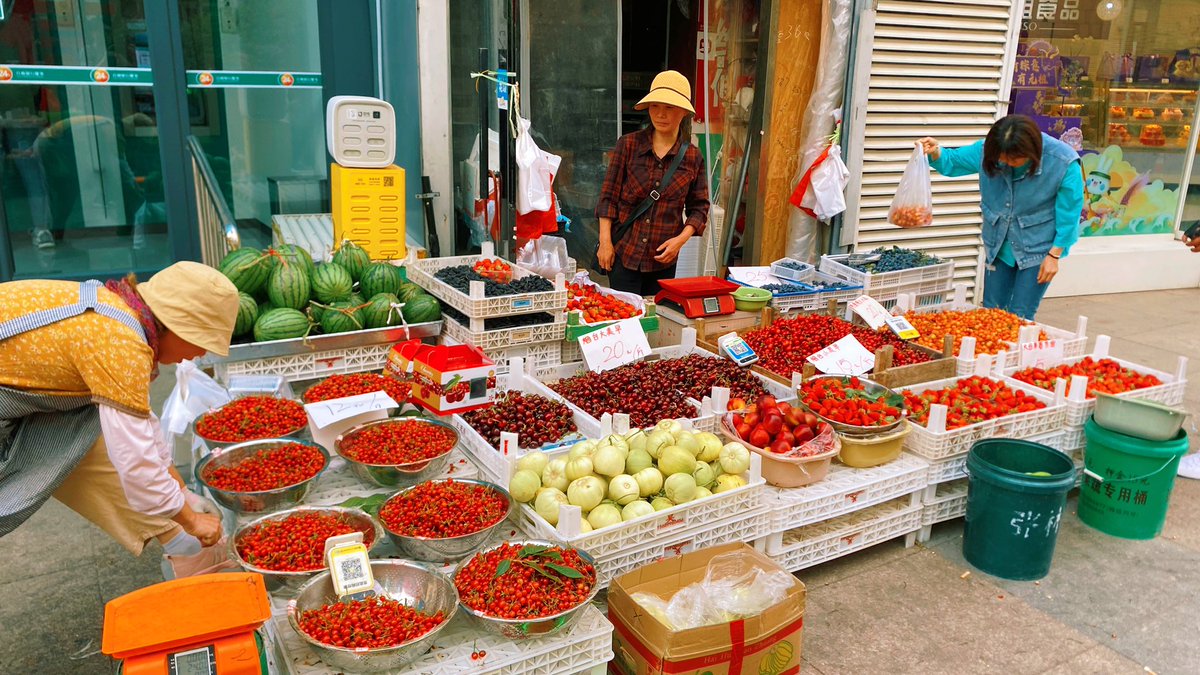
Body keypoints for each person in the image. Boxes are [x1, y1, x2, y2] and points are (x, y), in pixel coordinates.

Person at [0, 262, 240, 577]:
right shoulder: (120, 344)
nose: (199, 355)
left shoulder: (121, 315)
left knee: (95, 429)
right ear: (177, 326)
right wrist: (191, 521)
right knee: (102, 438)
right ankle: (186, 549)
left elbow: (140, 421)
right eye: (201, 342)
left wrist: (181, 493)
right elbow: (137, 465)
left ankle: (183, 549)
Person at [918, 115, 1084, 320]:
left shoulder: (1062, 161)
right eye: (1001, 157)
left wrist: (1054, 256)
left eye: (1013, 159)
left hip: (1038, 247)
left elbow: (1070, 213)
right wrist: (935, 151)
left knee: (1020, 316)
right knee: (992, 312)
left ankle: (1016, 350)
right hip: (999, 244)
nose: (1005, 162)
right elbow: (953, 161)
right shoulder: (988, 150)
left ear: (1031, 151)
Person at [596, 70, 710, 296]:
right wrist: (605, 243)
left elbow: (699, 208)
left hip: (663, 261)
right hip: (623, 254)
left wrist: (680, 241)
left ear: (684, 112)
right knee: (624, 320)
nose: (661, 114)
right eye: (655, 106)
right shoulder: (628, 145)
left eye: (669, 108)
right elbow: (608, 198)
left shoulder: (693, 157)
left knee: (656, 321)